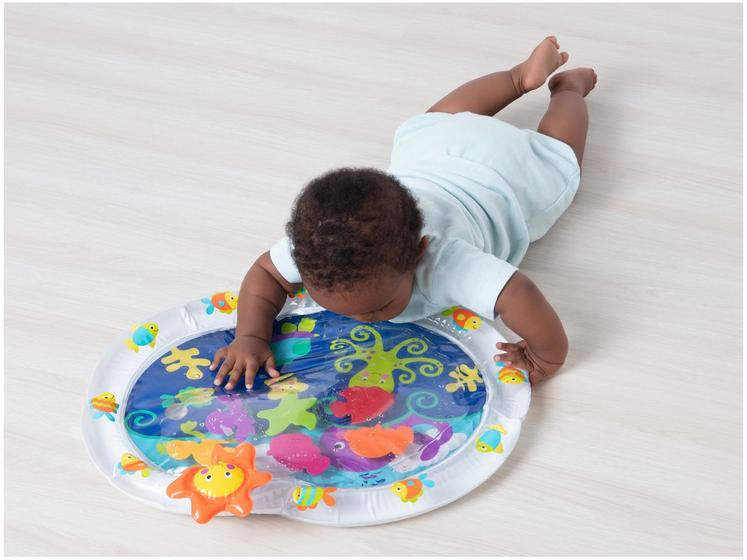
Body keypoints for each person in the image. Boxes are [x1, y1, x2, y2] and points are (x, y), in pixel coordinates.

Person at [210, 35, 597, 388]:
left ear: (420, 251)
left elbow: (519, 294)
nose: (361, 320)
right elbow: (267, 273)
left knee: (559, 156)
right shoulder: (320, 244)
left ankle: (567, 90)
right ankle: (517, 79)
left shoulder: (447, 263)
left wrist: (546, 355)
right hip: (442, 145)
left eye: (378, 308)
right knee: (435, 120)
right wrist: (251, 336)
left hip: (509, 173)